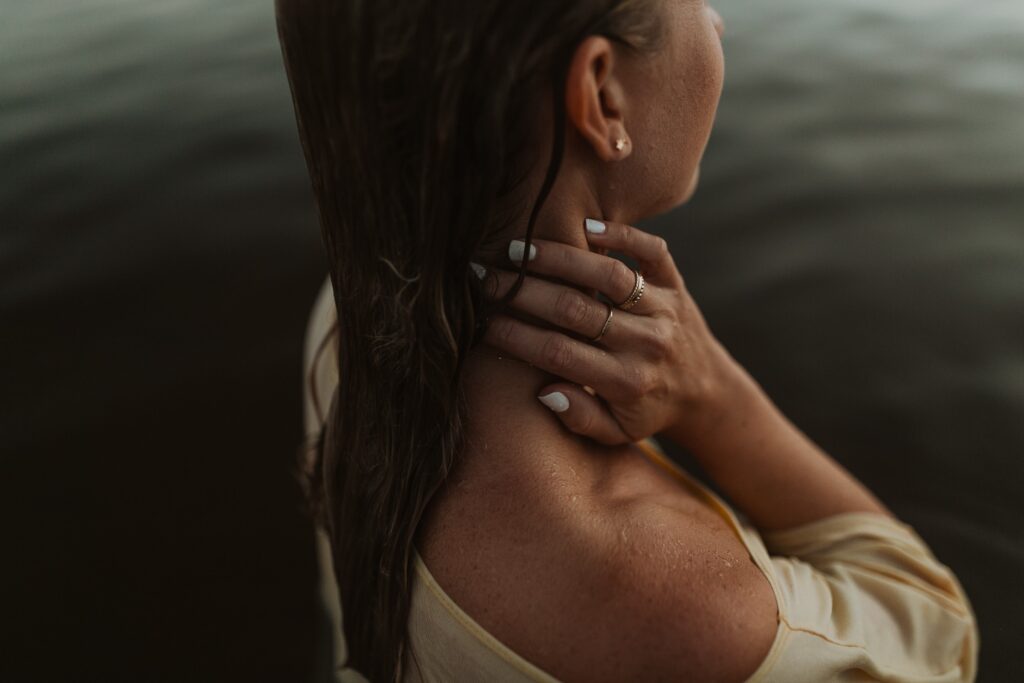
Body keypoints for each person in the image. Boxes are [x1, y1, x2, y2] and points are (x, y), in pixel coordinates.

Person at [278, 0, 980, 680]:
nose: (715, 20)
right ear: (601, 95)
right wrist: (717, 400)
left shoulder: (347, 322)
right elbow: (937, 637)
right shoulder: (683, 616)